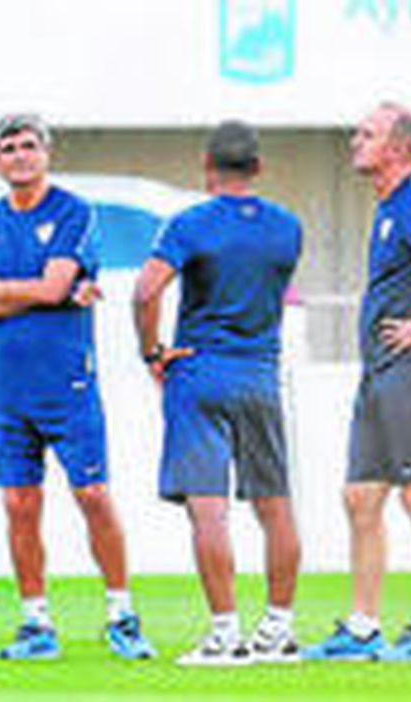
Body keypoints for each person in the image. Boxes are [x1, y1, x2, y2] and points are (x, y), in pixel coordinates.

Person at [0, 114, 153, 661]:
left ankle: (121, 613)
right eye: (9, 148)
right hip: (6, 383)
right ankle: (36, 623)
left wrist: (9, 290)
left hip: (67, 380)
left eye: (29, 146)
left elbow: (49, 286)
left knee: (92, 495)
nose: (20, 156)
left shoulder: (72, 211)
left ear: (46, 153)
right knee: (20, 502)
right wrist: (41, 293)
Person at [304, 102, 411, 663]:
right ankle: (362, 628)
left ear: (398, 148)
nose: (355, 141)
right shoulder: (386, 208)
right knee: (360, 497)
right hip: (381, 373)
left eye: (367, 134)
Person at [133, 120, 304, 666]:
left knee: (208, 510)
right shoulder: (288, 227)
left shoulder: (189, 224)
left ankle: (226, 634)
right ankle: (278, 629)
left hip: (200, 369)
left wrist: (153, 351)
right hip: (260, 373)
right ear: (258, 168)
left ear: (207, 167)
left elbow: (144, 292)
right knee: (274, 505)